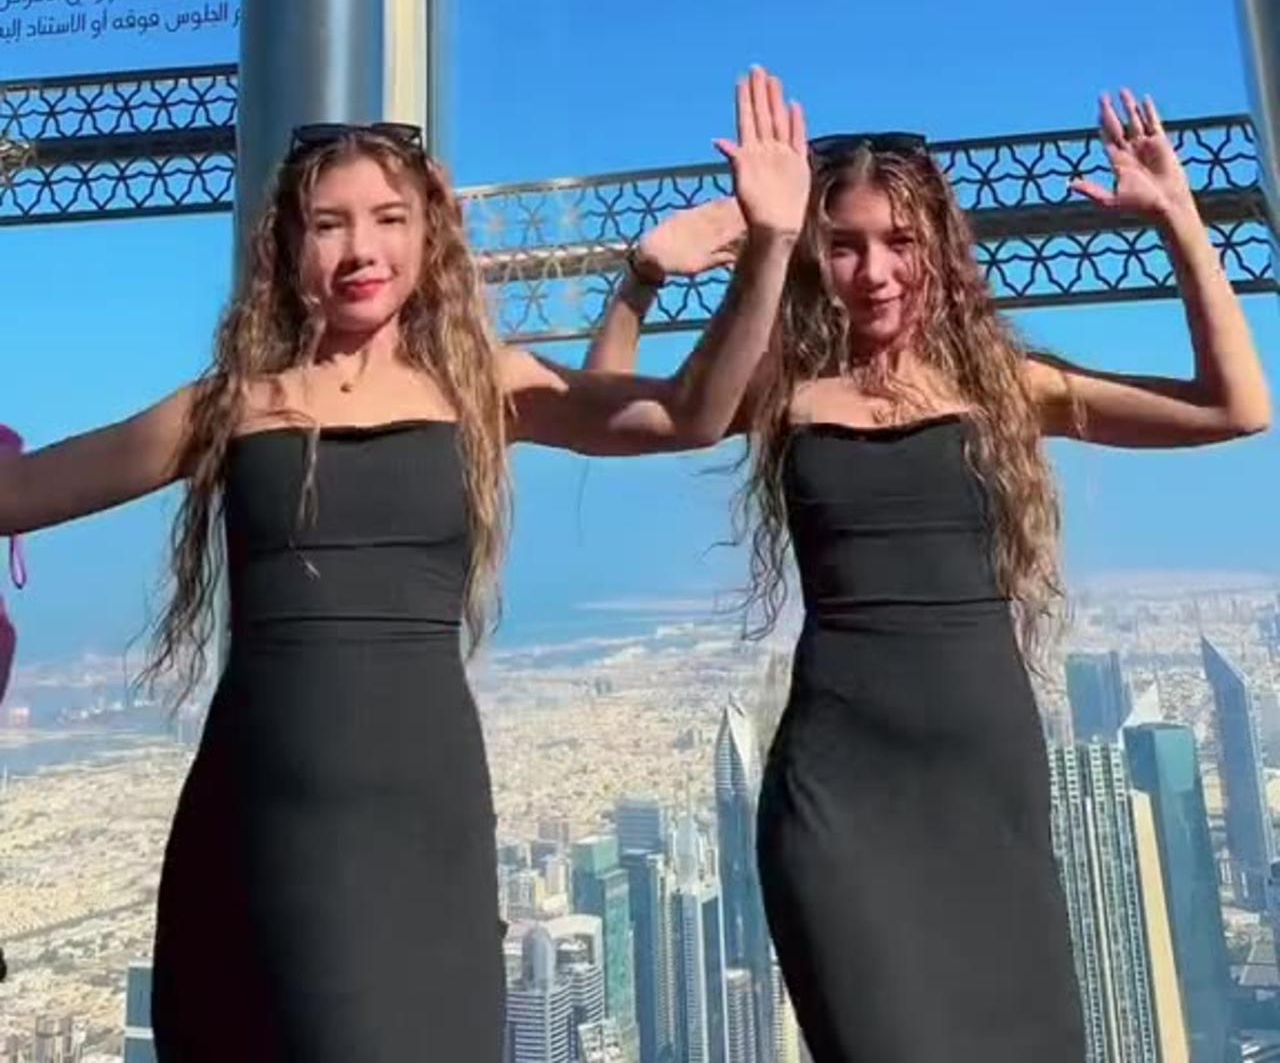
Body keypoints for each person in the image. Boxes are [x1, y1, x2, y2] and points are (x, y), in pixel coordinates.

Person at [0, 73, 811, 1063]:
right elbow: (21, 493)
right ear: (284, 246)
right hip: (255, 818)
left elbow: (690, 411)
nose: (360, 248)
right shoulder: (229, 403)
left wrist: (769, 242)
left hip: (421, 814)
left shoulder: (486, 384)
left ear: (429, 236)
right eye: (327, 222)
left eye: (388, 217)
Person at [587, 89, 1271, 1063]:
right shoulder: (777, 385)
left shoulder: (1004, 385)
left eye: (898, 240)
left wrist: (1176, 219)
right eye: (846, 242)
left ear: (937, 246)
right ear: (812, 253)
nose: (874, 270)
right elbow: (613, 415)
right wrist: (644, 274)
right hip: (839, 801)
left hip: (983, 787)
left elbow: (1235, 406)